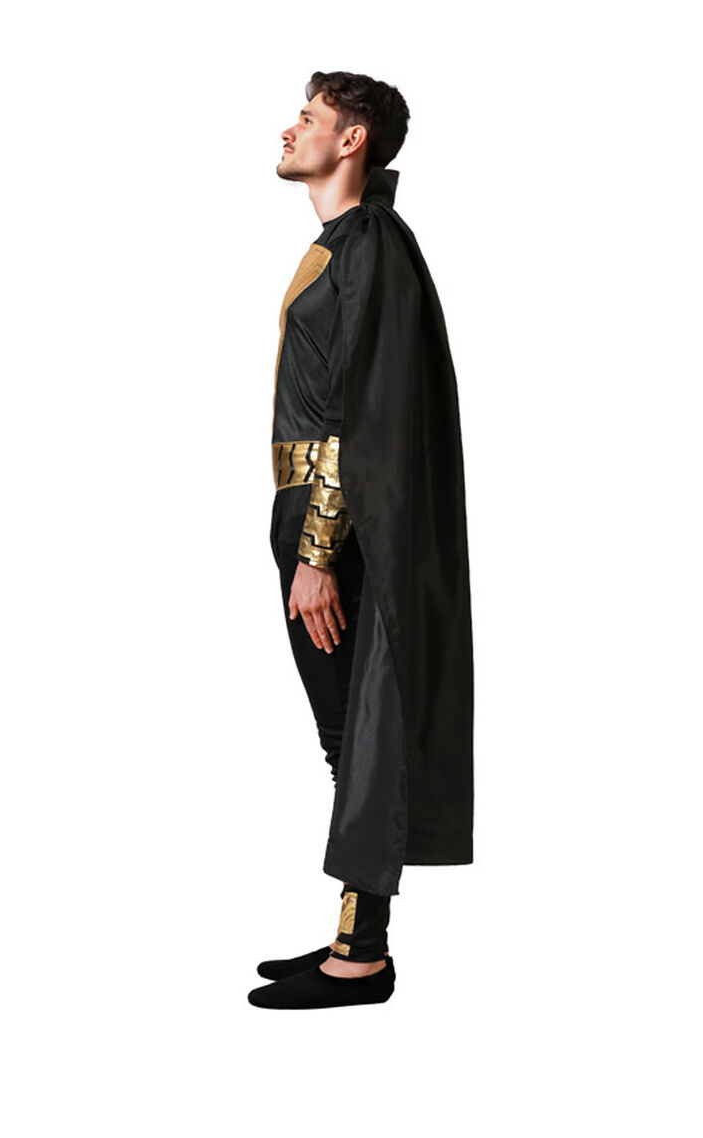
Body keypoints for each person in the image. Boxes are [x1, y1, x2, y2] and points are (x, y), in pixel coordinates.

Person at [248, 71, 473, 1010]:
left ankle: (362, 956)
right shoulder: (344, 244)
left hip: (332, 523)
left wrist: (317, 554)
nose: (289, 129)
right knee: (349, 735)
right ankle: (356, 938)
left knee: (360, 733)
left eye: (308, 117)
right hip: (307, 509)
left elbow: (360, 411)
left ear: (352, 140)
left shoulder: (371, 243)